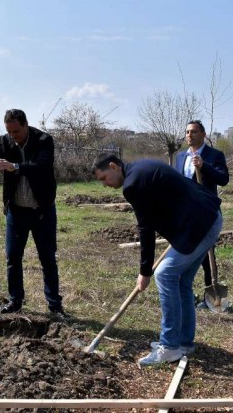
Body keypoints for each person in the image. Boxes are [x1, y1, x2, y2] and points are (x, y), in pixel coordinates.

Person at [92, 154, 223, 367]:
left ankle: (170, 347)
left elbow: (146, 228)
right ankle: (184, 343)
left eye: (104, 178)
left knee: (164, 274)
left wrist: (145, 272)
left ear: (114, 166)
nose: (105, 185)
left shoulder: (132, 184)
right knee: (181, 281)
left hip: (201, 225)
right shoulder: (141, 166)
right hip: (208, 217)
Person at [0, 109, 64, 316]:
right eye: (9, 132)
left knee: (47, 259)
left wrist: (14, 166)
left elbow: (42, 166)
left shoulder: (43, 140)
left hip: (42, 211)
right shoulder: (5, 142)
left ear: (25, 125)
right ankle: (15, 301)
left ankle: (54, 305)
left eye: (16, 131)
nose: (13, 136)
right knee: (13, 258)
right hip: (16, 212)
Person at [175, 120, 229, 294]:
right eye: (187, 132)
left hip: (206, 213)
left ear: (203, 135)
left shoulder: (215, 155)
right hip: (186, 214)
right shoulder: (181, 157)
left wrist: (204, 166)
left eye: (194, 132)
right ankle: (185, 292)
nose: (189, 135)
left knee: (207, 254)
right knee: (184, 251)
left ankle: (210, 289)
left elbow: (223, 179)